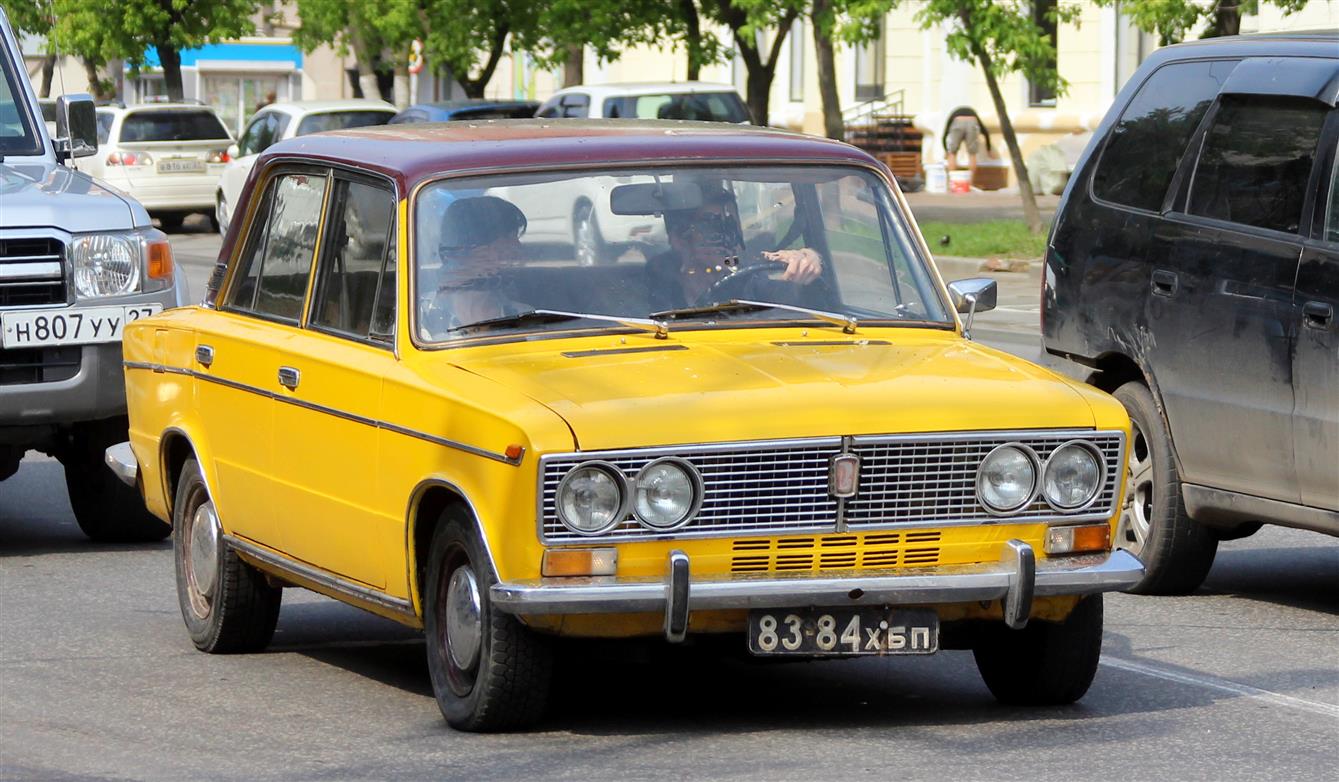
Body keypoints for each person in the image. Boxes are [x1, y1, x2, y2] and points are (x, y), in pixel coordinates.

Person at [646, 184, 823, 311]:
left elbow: (784, 303)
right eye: (711, 225)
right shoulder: (652, 287)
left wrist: (808, 260)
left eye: (731, 224)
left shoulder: (747, 277)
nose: (727, 236)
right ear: (679, 239)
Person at [421, 195, 529, 336]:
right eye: (507, 238)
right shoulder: (419, 317)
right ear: (472, 246)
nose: (517, 248)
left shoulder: (524, 318)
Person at [943, 107, 992, 182]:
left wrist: (946, 150)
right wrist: (989, 149)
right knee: (972, 154)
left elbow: (945, 135)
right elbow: (985, 132)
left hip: (957, 121)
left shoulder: (953, 114)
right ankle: (970, 183)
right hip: (972, 120)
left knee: (952, 153)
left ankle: (952, 182)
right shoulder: (973, 112)